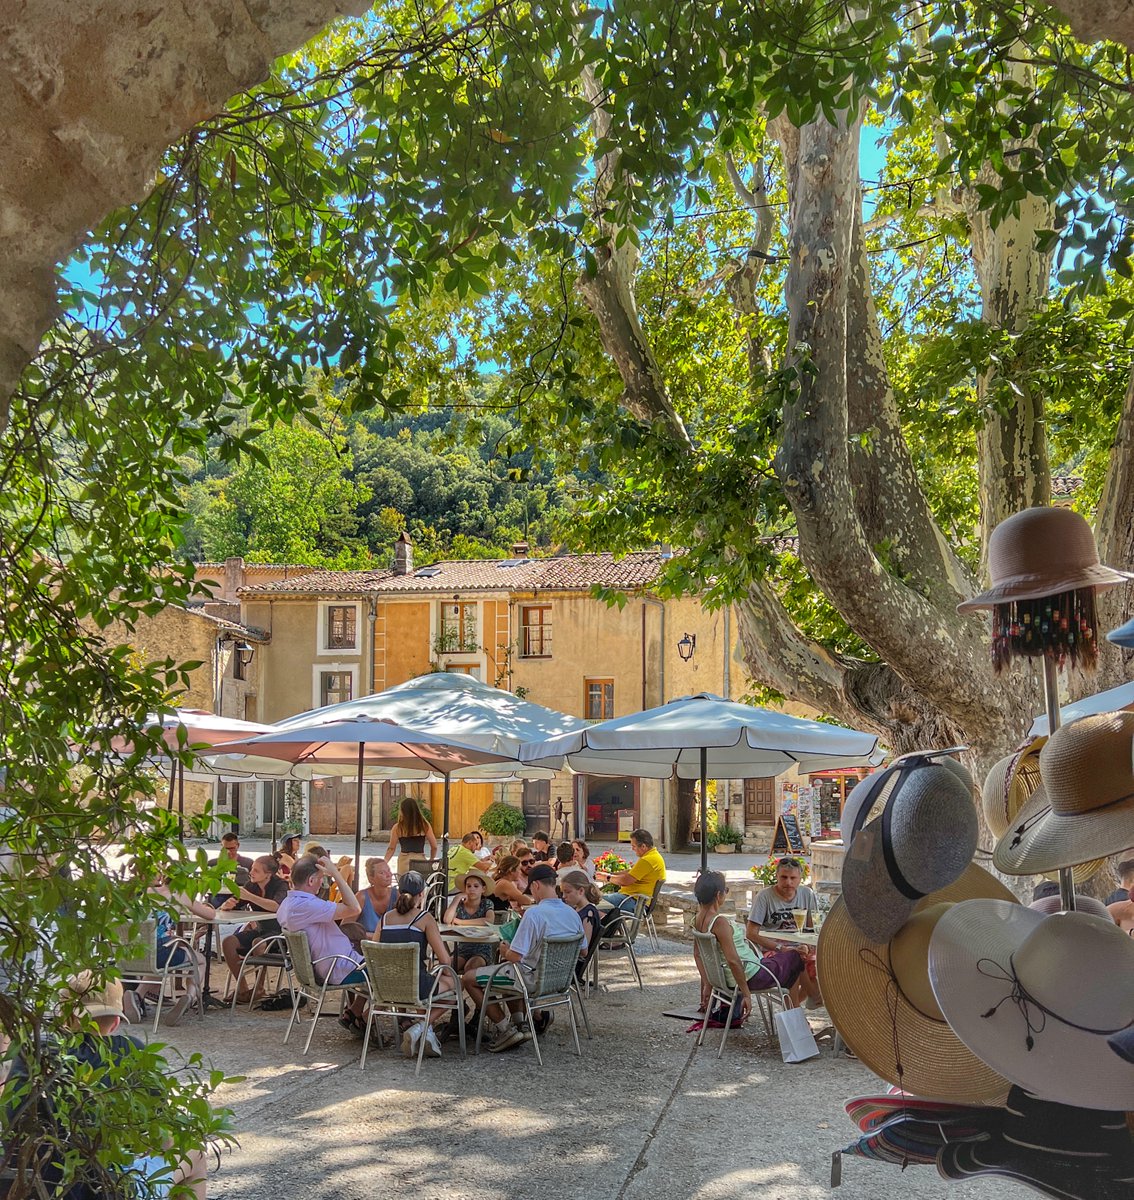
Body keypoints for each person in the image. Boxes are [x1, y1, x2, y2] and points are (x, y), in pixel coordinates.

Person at [3, 973, 208, 1198]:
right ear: (116, 1022)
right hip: (105, 1189)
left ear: (64, 1014)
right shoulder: (131, 1052)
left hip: (26, 1183)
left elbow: (11, 1114)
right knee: (193, 1152)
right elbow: (161, 1138)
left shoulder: (33, 1051)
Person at [462, 864, 583, 1052]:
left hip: (529, 979)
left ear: (535, 886)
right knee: (507, 971)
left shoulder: (534, 913)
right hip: (559, 980)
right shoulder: (572, 913)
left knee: (469, 978)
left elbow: (516, 956)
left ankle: (505, 1029)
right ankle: (521, 1025)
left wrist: (504, 950)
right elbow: (582, 950)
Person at [277, 855, 367, 1032]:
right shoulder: (307, 905)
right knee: (390, 974)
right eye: (321, 879)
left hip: (327, 966)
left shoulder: (287, 904)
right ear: (311, 880)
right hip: (340, 968)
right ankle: (366, 1018)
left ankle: (354, 1013)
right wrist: (336, 874)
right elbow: (354, 908)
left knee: (375, 965)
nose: (322, 884)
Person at [375, 871, 454, 1058]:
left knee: (426, 982)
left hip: (387, 987)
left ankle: (427, 1035)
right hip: (415, 987)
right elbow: (445, 960)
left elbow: (376, 952)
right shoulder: (424, 918)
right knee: (455, 988)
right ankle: (420, 1028)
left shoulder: (384, 919)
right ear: (422, 894)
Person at [123, 876, 216, 1027]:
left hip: (132, 952)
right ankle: (189, 997)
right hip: (161, 952)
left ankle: (137, 996)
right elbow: (210, 915)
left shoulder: (146, 892)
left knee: (155, 961)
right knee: (200, 960)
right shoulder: (181, 895)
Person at [692, 871, 773, 1025]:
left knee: (781, 959)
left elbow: (697, 954)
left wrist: (708, 983)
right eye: (726, 890)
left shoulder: (697, 919)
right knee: (794, 959)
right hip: (748, 974)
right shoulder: (719, 922)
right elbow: (733, 961)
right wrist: (747, 994)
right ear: (718, 895)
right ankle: (796, 1024)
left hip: (725, 978)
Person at [744, 857, 822, 1008]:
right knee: (794, 962)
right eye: (784, 877)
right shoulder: (765, 897)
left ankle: (793, 1011)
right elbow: (751, 933)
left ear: (800, 878)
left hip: (800, 946)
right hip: (773, 949)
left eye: (793, 878)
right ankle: (810, 1000)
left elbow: (812, 929)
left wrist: (806, 946)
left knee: (822, 964)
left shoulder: (807, 894)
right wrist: (781, 948)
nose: (788, 882)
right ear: (776, 877)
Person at [219, 855, 289, 1004]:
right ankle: (243, 988)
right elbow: (238, 902)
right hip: (261, 929)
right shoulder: (252, 885)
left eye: (256, 870)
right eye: (252, 869)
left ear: (268, 875)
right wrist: (229, 904)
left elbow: (276, 906)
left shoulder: (281, 885)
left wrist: (250, 897)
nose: (252, 873)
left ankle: (259, 988)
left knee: (258, 942)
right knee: (228, 942)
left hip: (280, 933)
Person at [595, 828, 666, 912]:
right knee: (596, 902)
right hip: (632, 898)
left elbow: (625, 881)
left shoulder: (648, 860)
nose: (632, 849)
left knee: (594, 902)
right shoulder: (653, 856)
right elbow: (630, 872)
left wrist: (607, 877)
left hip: (635, 902)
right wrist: (610, 873)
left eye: (634, 846)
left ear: (643, 846)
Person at [443, 867, 495, 972]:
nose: (472, 889)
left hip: (482, 949)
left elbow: (489, 920)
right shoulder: (460, 905)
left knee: (470, 967)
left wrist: (460, 922)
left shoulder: (486, 903)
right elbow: (447, 920)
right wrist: (456, 899)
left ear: (483, 889)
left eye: (476, 886)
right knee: (447, 968)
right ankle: (456, 987)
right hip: (463, 949)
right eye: (468, 886)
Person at [558, 869, 603, 980]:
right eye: (563, 892)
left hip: (573, 965)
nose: (564, 896)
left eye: (567, 892)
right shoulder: (577, 909)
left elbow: (584, 948)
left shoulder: (588, 913)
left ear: (581, 891)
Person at [384, 798, 438, 877]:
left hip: (404, 861)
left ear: (402, 811)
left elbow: (391, 848)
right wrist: (431, 859)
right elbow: (434, 847)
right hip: (420, 861)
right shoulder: (424, 825)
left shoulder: (398, 827)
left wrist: (384, 862)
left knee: (404, 885)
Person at [355, 857, 398, 935]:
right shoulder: (361, 897)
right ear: (371, 879)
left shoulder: (397, 896)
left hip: (392, 946)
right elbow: (345, 928)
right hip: (366, 945)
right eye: (382, 873)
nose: (389, 875)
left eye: (389, 870)